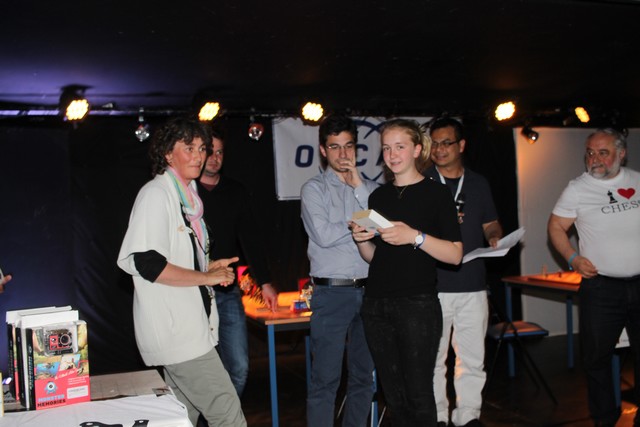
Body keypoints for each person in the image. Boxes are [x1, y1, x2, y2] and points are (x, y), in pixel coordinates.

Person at [117, 117, 246, 427]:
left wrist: (207, 267)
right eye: (189, 148)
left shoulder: (187, 198)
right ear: (167, 153)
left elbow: (173, 259)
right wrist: (206, 277)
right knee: (228, 416)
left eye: (202, 148)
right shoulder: (156, 194)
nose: (199, 156)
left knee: (180, 419)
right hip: (179, 335)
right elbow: (147, 263)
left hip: (190, 330)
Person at [351, 118, 463, 427]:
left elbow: (455, 254)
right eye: (386, 148)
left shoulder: (437, 194)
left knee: (419, 395)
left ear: (417, 150)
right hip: (376, 304)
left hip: (416, 305)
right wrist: (361, 240)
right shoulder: (378, 198)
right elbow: (378, 258)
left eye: (399, 146)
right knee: (394, 397)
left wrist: (415, 236)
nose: (392, 154)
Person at [548, 128, 640, 427]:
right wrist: (573, 258)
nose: (595, 159)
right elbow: (556, 227)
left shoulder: (637, 181)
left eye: (603, 152)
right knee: (597, 358)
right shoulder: (578, 189)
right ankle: (605, 419)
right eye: (590, 152)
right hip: (601, 288)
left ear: (621, 154)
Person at [300, 114, 378, 427]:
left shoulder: (369, 188)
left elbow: (382, 226)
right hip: (331, 292)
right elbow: (323, 235)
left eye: (348, 146)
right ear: (323, 150)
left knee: (363, 378)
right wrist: (361, 224)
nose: (343, 154)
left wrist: (359, 190)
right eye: (335, 147)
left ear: (356, 148)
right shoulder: (313, 189)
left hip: (371, 290)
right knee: (325, 380)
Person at [425, 118, 502, 427]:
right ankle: (438, 416)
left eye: (446, 143)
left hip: (473, 284)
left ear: (461, 145)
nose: (439, 149)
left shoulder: (478, 183)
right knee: (433, 359)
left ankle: (468, 415)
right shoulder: (422, 182)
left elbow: (490, 223)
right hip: (433, 286)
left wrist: (495, 237)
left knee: (472, 358)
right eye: (434, 143)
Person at [197, 126, 278, 397]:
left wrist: (264, 282)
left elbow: (251, 239)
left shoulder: (235, 191)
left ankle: (225, 417)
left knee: (239, 367)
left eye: (220, 153)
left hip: (227, 291)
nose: (215, 158)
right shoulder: (185, 191)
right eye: (210, 152)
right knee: (202, 372)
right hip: (192, 293)